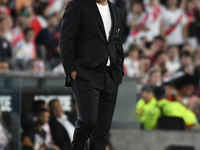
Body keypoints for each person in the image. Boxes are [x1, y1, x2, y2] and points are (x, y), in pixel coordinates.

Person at [59, 0, 124, 149]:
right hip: (85, 74)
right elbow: (66, 39)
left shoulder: (116, 11)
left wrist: (119, 66)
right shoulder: (77, 5)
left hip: (111, 76)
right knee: (88, 120)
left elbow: (116, 42)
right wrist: (71, 69)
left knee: (102, 130)